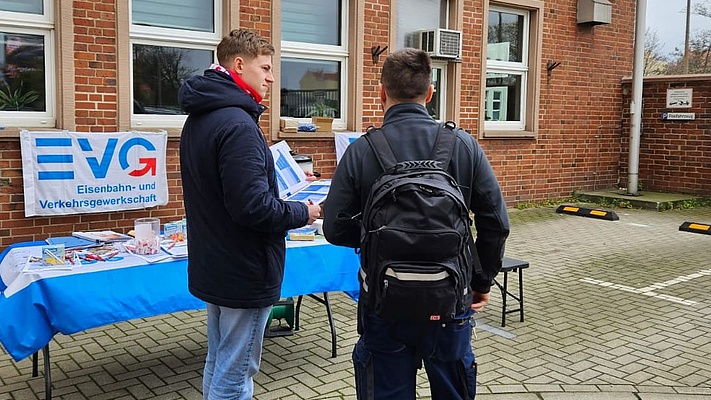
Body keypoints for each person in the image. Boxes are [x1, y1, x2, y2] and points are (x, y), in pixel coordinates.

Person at [322, 48, 510, 400]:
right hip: (450, 298)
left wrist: (374, 238)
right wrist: (480, 281)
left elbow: (334, 227)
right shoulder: (464, 145)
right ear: (430, 93)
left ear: (381, 93)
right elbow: (496, 223)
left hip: (383, 300)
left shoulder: (362, 150)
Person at [178, 28, 321, 400]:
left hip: (217, 261)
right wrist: (302, 212)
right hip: (244, 268)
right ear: (239, 65)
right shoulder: (239, 125)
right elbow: (252, 207)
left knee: (220, 360)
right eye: (266, 68)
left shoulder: (202, 117)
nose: (272, 78)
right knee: (237, 370)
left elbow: (226, 185)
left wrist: (276, 172)